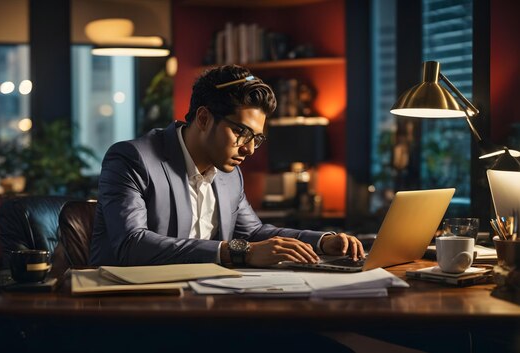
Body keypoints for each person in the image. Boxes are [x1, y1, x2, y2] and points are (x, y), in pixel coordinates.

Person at [89, 65, 364, 267]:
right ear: (204, 118)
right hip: (128, 310)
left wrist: (322, 241)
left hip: (204, 303)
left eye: (256, 137)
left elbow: (254, 233)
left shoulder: (229, 175)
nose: (250, 149)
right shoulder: (132, 159)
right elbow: (131, 244)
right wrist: (238, 251)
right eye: (241, 133)